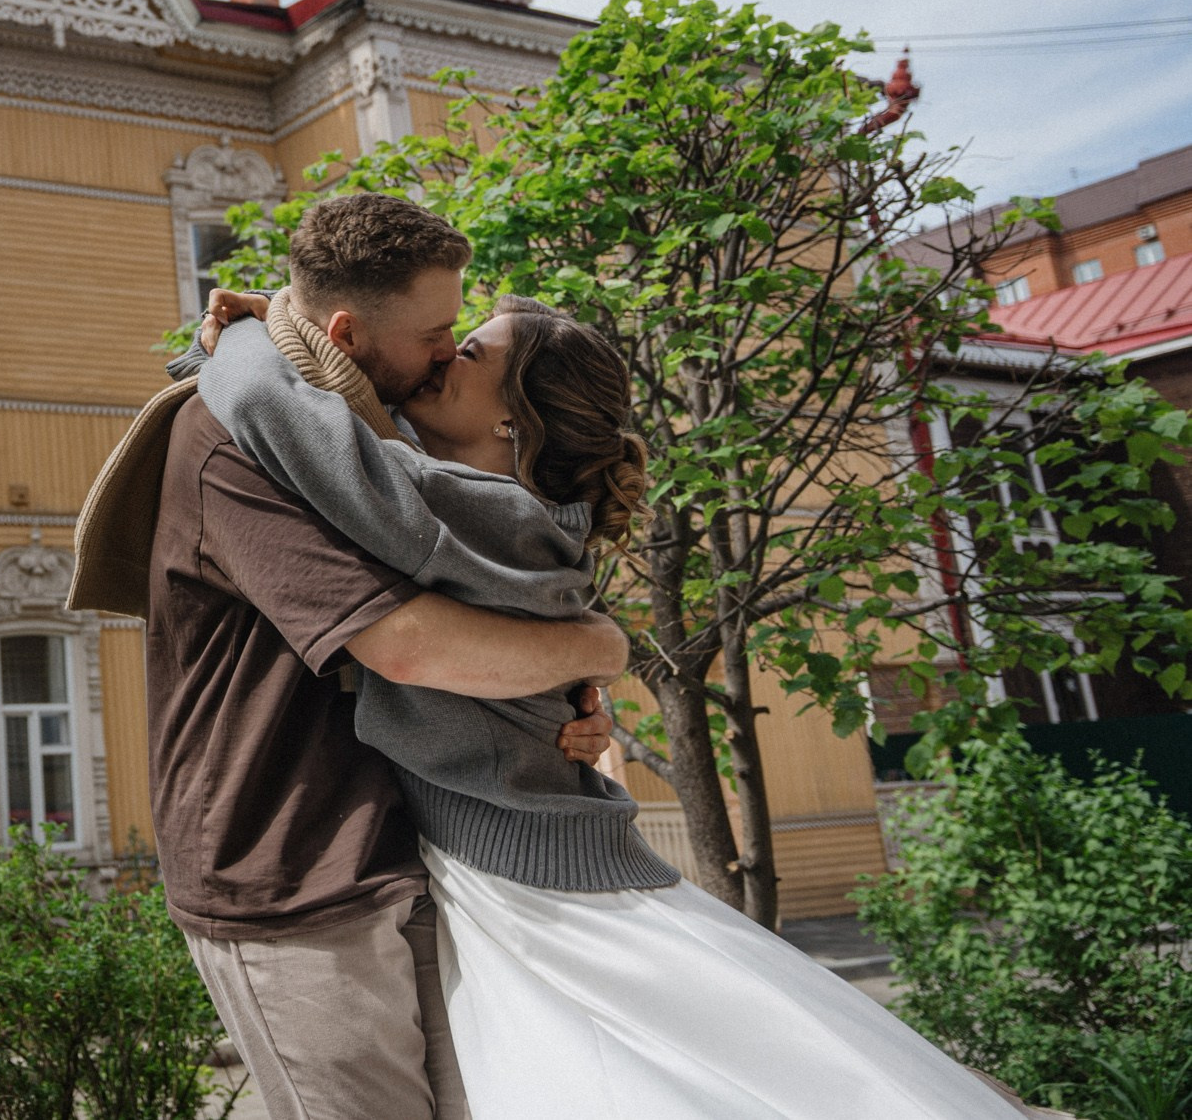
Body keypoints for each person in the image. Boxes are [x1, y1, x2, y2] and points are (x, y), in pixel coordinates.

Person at [190, 284, 1036, 1119]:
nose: (445, 352)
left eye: (471, 350)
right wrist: (602, 643)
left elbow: (268, 405)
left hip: (523, 870)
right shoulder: (524, 516)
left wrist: (260, 325)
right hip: (533, 852)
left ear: (514, 421)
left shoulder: (454, 506)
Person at [70, 193, 628, 1120]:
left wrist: (577, 677)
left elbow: (495, 576)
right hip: (289, 877)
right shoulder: (234, 443)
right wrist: (593, 643)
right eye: (438, 332)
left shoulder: (362, 431)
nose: (448, 350)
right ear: (345, 330)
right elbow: (405, 645)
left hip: (408, 852)